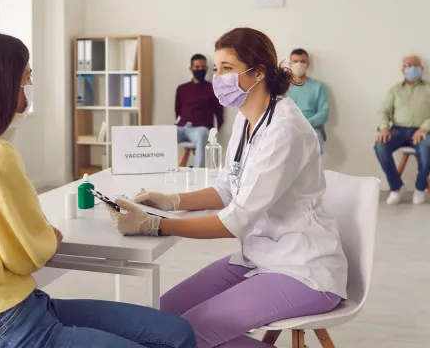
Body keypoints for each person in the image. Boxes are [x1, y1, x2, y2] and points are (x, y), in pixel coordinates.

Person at [0, 33, 196, 348]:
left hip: (22, 309)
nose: (30, 87)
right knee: (178, 336)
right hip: (7, 324)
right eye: (27, 77)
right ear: (0, 84)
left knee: (177, 333)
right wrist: (47, 235)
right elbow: (32, 254)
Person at [108, 28, 348, 348]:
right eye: (216, 69)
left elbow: (236, 221)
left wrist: (155, 226)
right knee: (160, 317)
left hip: (302, 268)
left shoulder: (284, 129)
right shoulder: (245, 118)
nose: (218, 78)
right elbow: (226, 189)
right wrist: (170, 200)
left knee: (186, 333)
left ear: (259, 73)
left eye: (228, 69)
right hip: (258, 256)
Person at [374, 55, 430, 205]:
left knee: (427, 149)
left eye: (415, 65)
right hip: (397, 131)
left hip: (422, 131)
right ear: (402, 70)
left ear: (422, 69)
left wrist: (424, 128)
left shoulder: (428, 88)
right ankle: (396, 187)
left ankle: (420, 188)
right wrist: (384, 128)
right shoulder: (395, 90)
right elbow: (384, 111)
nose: (412, 68)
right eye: (408, 65)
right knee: (380, 146)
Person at [175, 54, 224, 167]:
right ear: (191, 68)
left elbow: (219, 113)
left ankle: (199, 171)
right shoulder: (182, 88)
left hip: (199, 129)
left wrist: (214, 132)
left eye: (203, 67)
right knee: (164, 133)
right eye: (197, 67)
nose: (200, 70)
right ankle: (165, 170)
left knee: (203, 133)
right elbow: (177, 110)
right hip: (182, 127)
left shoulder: (213, 88)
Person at [288, 48, 329, 153]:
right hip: (287, 128)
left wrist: (305, 123)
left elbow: (323, 113)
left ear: (308, 64)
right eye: (295, 62)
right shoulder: (284, 87)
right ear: (290, 63)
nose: (299, 64)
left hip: (311, 129)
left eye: (302, 61)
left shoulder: (318, 87)